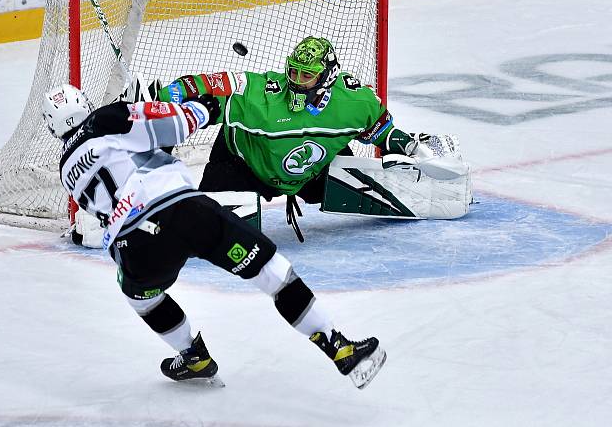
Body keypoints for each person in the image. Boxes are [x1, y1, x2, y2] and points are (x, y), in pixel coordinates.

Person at [41, 84, 386, 389]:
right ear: (83, 103)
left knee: (144, 300)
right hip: (182, 211)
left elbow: (126, 169)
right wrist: (204, 108)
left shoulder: (65, 169)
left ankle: (193, 356)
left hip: (134, 248)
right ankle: (337, 345)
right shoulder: (104, 119)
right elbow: (171, 126)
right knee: (271, 272)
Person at [157, 36, 443, 239]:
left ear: (327, 78)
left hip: (313, 173)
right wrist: (175, 94)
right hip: (243, 166)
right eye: (292, 71)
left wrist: (409, 146)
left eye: (306, 75)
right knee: (205, 231)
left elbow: (382, 133)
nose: (295, 80)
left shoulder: (356, 103)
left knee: (356, 174)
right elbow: (210, 85)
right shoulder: (262, 96)